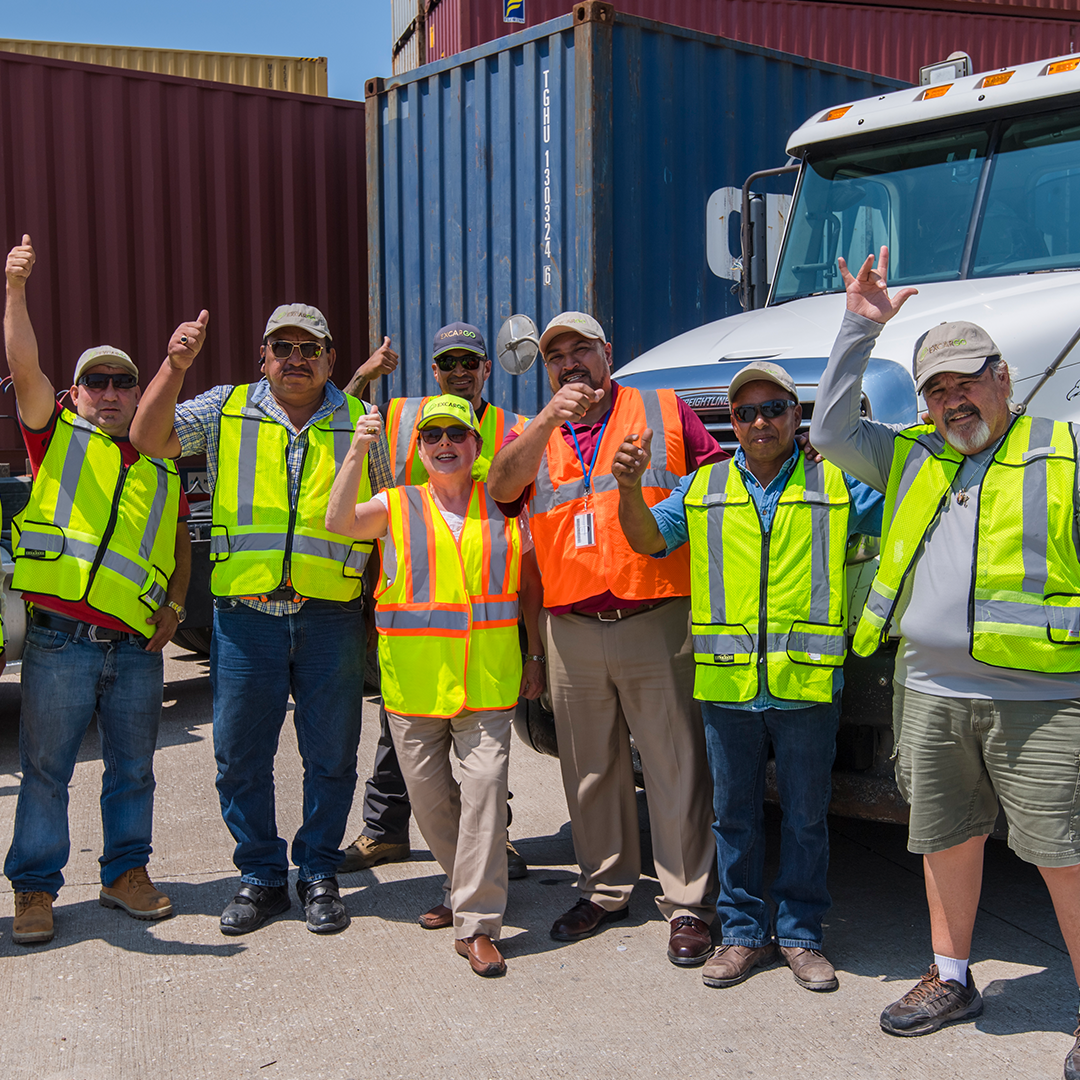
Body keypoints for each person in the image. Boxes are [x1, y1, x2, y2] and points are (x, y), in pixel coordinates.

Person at [810, 247, 1080, 1078]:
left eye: (966, 380)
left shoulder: (1064, 451)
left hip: (1041, 695)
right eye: (937, 388)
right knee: (945, 838)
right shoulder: (912, 457)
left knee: (1062, 851)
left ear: (1002, 377)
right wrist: (859, 328)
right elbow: (825, 429)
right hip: (928, 689)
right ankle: (951, 977)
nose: (953, 399)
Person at [615, 359, 883, 993]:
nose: (759, 421)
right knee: (733, 817)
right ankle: (739, 934)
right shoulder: (704, 486)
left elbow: (910, 500)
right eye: (744, 412)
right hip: (728, 687)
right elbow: (648, 539)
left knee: (806, 818)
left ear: (797, 416)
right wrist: (629, 489)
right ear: (732, 424)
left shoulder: (841, 484)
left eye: (773, 409)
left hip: (807, 686)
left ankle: (800, 936)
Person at [130, 302, 393, 936]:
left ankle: (319, 872)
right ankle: (261, 875)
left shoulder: (362, 420)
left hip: (329, 616)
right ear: (263, 357)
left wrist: (382, 611)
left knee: (330, 754)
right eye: (283, 347)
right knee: (240, 756)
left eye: (310, 348)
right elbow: (146, 437)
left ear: (331, 358)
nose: (296, 360)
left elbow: (385, 521)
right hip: (245, 618)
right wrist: (174, 365)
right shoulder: (225, 408)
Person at [487, 310, 722, 966]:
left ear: (606, 352)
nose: (569, 363)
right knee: (590, 769)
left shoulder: (662, 407)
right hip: (573, 627)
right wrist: (545, 420)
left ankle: (687, 904)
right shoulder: (537, 435)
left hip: (656, 616)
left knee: (675, 764)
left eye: (580, 350)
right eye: (555, 356)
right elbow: (503, 488)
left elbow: (717, 479)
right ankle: (607, 886)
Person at [3, 234, 192, 944]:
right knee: (46, 772)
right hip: (60, 642)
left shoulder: (161, 459)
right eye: (97, 383)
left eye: (122, 383)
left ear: (137, 393)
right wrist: (16, 287)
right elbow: (23, 360)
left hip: (136, 647)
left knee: (133, 771)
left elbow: (179, 540)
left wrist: (175, 603)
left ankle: (124, 874)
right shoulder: (54, 438)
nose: (110, 394)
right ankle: (34, 889)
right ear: (74, 393)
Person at [325, 394, 544, 977]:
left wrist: (536, 652)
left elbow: (527, 584)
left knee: (486, 794)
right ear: (420, 449)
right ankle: (460, 885)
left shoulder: (504, 507)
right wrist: (356, 451)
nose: (445, 444)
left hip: (487, 682)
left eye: (457, 434)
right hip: (415, 686)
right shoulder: (394, 504)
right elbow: (337, 522)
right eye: (432, 436)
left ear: (476, 447)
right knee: (432, 804)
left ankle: (476, 924)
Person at [339, 321, 530, 880]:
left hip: (486, 603)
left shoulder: (510, 427)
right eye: (448, 363)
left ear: (486, 369)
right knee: (400, 732)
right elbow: (333, 423)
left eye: (470, 363)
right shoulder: (402, 417)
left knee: (483, 749)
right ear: (435, 371)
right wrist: (361, 377)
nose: (459, 372)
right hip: (412, 601)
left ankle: (494, 843)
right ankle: (384, 830)